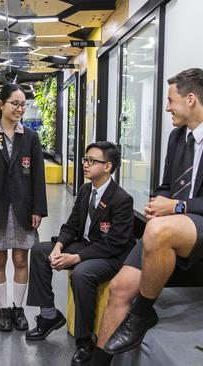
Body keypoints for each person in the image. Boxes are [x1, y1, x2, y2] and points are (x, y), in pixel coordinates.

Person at [89, 68, 203, 365]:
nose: (167, 107)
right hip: (175, 226)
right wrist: (159, 202)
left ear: (191, 99)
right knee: (118, 289)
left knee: (156, 231)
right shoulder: (177, 138)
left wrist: (177, 207)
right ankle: (99, 361)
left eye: (170, 100)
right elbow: (167, 186)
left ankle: (141, 314)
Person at [26, 141, 136, 366]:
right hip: (85, 245)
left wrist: (75, 258)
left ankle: (85, 341)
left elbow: (115, 244)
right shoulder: (86, 190)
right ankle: (49, 316)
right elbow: (71, 226)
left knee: (81, 274)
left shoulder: (122, 199)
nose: (85, 164)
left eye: (92, 161)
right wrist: (58, 247)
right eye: (85, 159)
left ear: (108, 166)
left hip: (110, 255)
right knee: (39, 251)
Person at [0, 83, 47, 332]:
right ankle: (3, 309)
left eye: (23, 104)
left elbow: (38, 177)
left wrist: (38, 209)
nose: (19, 109)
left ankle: (18, 308)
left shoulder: (31, 136)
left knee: (20, 259)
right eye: (15, 103)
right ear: (1, 104)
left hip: (24, 208)